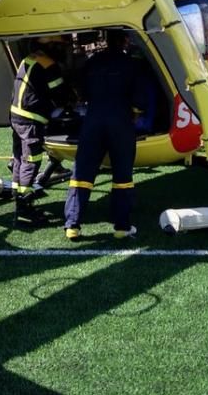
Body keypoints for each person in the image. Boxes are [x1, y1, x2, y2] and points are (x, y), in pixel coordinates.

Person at [64, 30, 148, 240]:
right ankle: (121, 227)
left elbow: (80, 92)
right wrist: (136, 114)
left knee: (81, 174)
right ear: (125, 41)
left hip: (93, 121)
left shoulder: (92, 62)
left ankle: (72, 225)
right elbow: (140, 98)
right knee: (122, 176)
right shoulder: (131, 64)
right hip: (120, 122)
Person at [9, 36, 71, 226]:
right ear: (52, 46)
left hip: (16, 116)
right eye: (61, 46)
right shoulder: (48, 64)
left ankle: (18, 195)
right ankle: (24, 207)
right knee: (31, 159)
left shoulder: (30, 58)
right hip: (31, 119)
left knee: (19, 158)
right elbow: (61, 93)